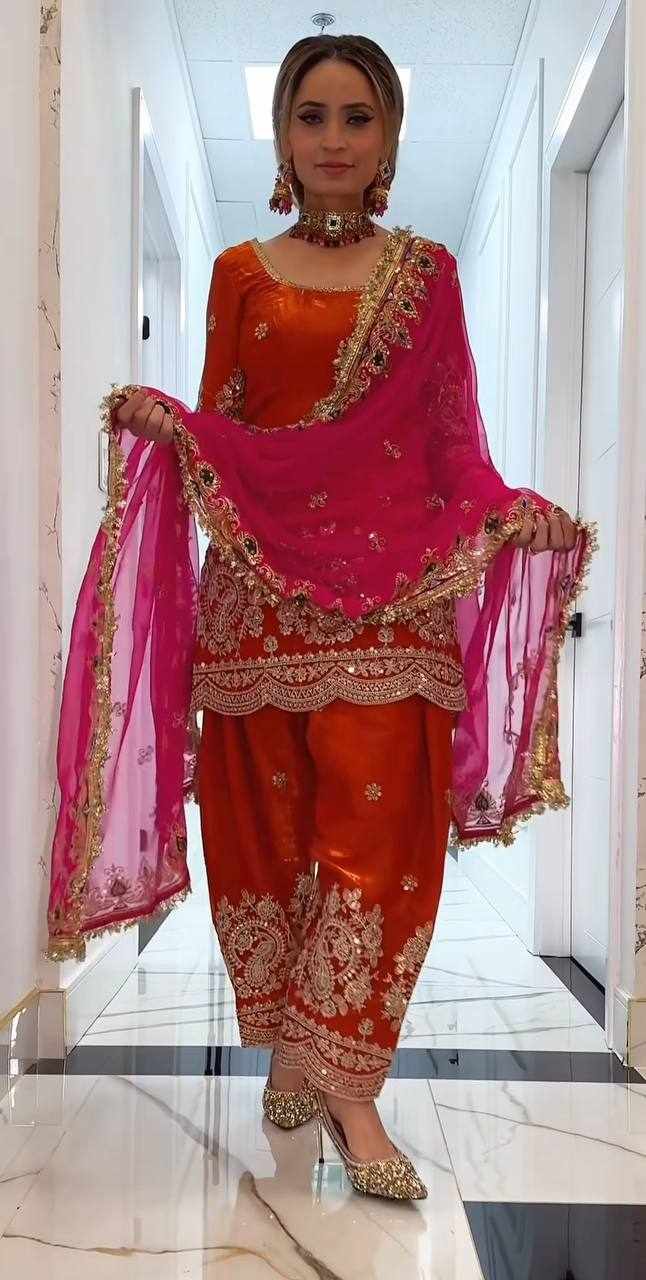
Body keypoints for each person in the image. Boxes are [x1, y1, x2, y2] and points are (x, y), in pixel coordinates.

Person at [47, 35, 586, 1203]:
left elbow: (452, 444)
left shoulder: (428, 277)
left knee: (382, 845)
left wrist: (507, 510)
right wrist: (177, 426)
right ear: (283, 137)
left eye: (356, 117)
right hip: (261, 604)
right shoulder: (239, 272)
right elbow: (231, 426)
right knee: (270, 837)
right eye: (310, 116)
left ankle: (351, 1087)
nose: (333, 139)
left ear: (389, 137)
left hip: (394, 600)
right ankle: (294, 1046)